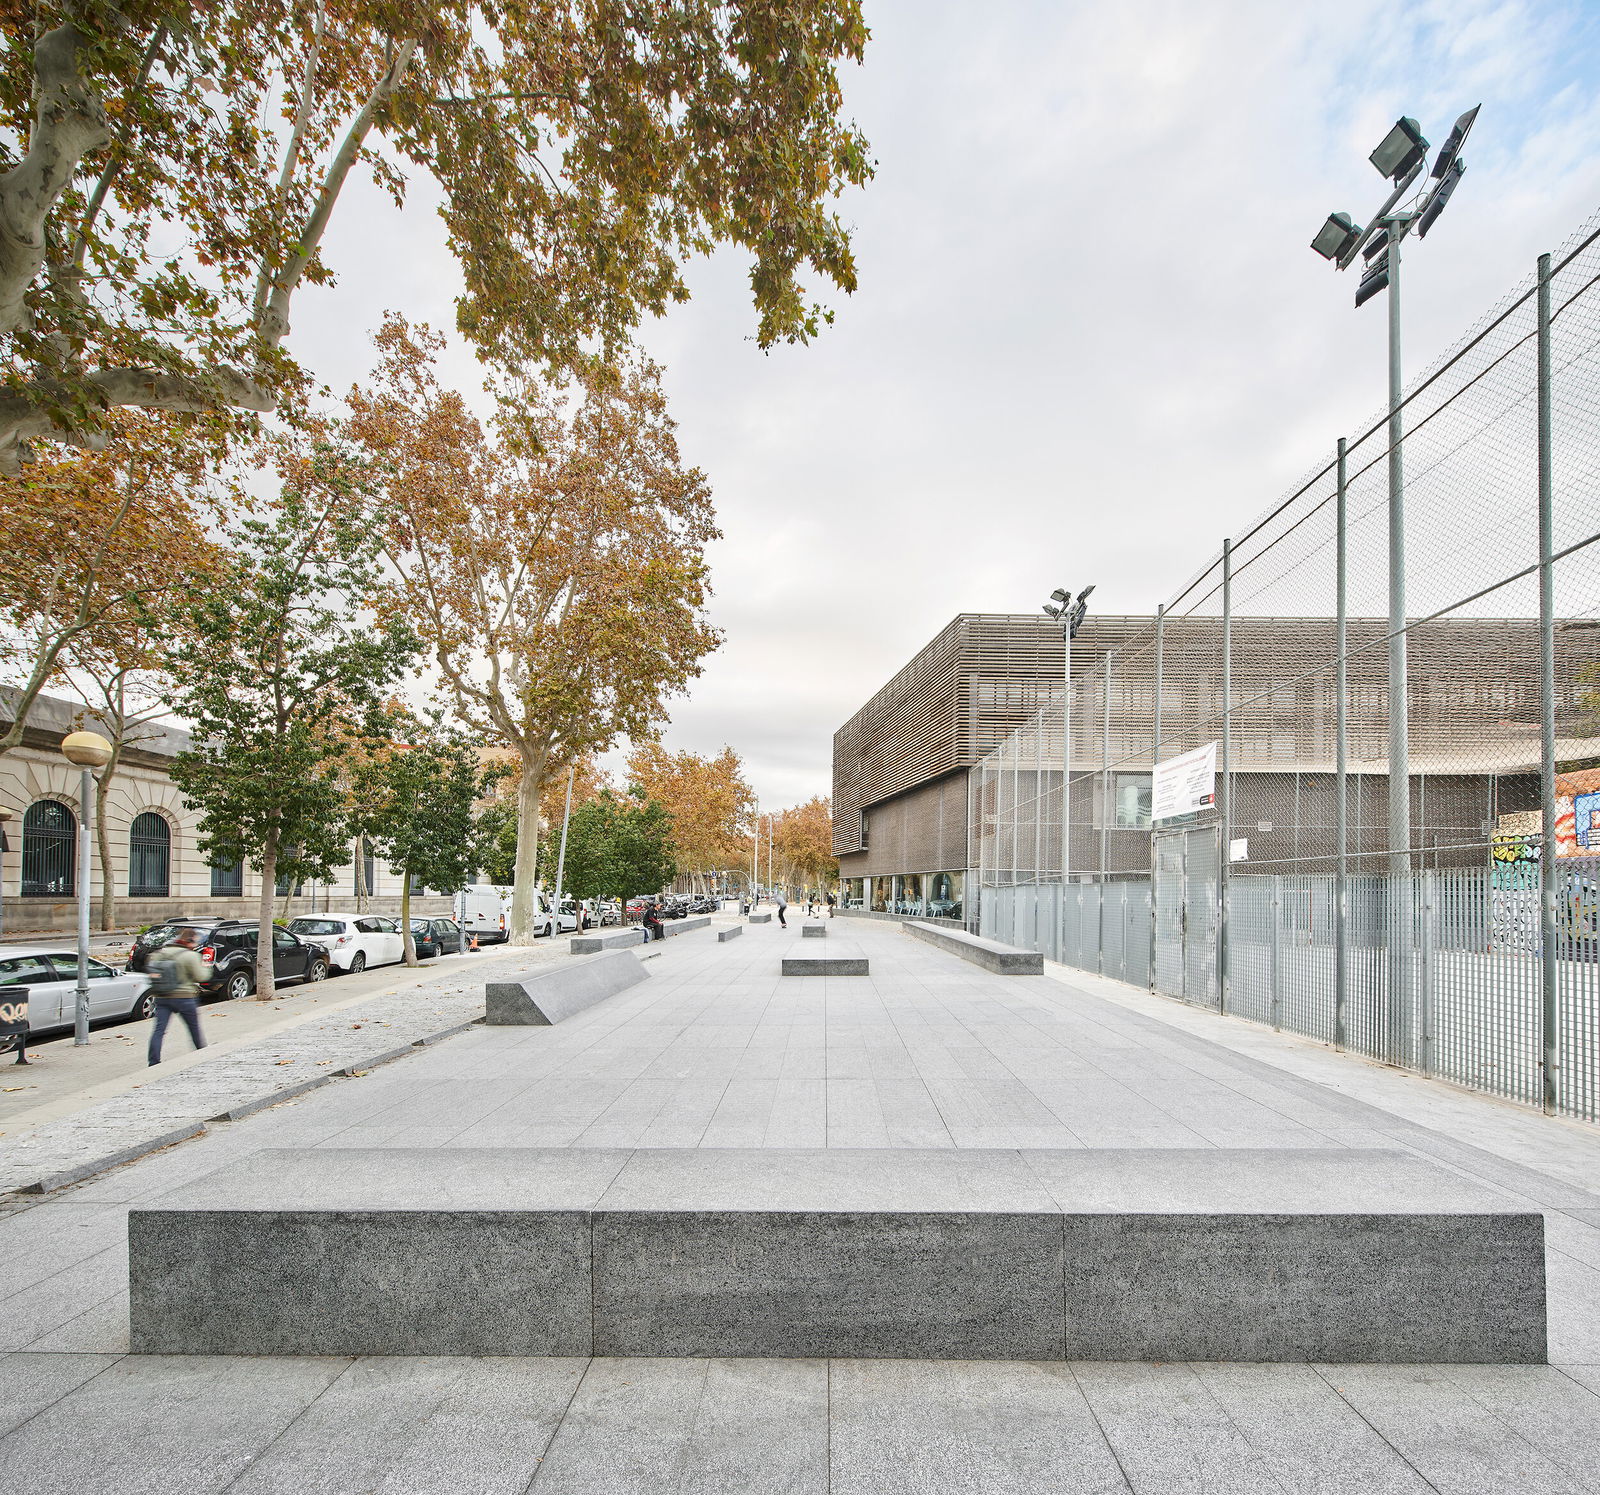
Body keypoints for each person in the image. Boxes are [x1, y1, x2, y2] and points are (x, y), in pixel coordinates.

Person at [146, 927, 211, 1066]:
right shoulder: (190, 956)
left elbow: (151, 972)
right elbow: (201, 976)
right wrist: (207, 966)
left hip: (162, 997)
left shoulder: (158, 954)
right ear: (190, 940)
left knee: (159, 1030)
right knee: (193, 1027)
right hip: (184, 997)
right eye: (195, 942)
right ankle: (202, 1054)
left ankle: (153, 1061)